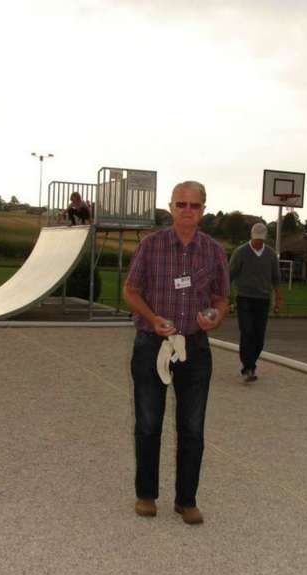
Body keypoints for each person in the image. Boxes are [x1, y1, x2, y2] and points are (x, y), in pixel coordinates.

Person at [124, 181, 230, 525]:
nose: (188, 211)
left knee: (193, 428)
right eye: (181, 204)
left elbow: (221, 299)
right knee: (148, 423)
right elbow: (131, 290)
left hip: (195, 348)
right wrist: (152, 318)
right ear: (170, 207)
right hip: (151, 345)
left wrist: (214, 317)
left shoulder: (214, 251)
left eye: (194, 205)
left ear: (203, 210)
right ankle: (146, 495)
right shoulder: (151, 246)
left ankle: (186, 501)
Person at [229, 222, 281, 383]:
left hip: (263, 299)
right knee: (247, 331)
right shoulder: (241, 252)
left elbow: (276, 280)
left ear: (265, 238)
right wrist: (226, 298)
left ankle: (251, 363)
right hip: (244, 297)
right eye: (256, 239)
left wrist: (278, 300)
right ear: (251, 236)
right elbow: (229, 276)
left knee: (259, 337)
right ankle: (248, 368)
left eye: (261, 239)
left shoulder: (271, 255)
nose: (258, 242)